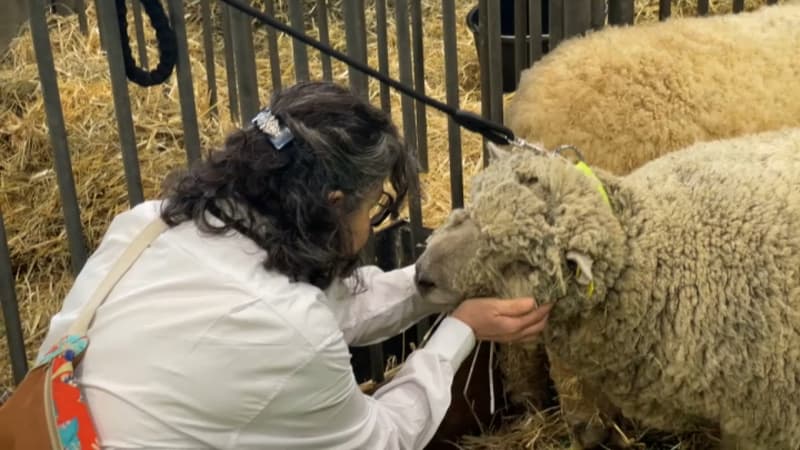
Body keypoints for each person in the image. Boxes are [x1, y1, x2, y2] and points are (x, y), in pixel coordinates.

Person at [36, 81, 551, 449]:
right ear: (331, 202)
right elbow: (385, 438)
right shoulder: (290, 329)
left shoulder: (150, 225)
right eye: (372, 209)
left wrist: (435, 289)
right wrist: (459, 331)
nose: (371, 227)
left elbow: (335, 308)